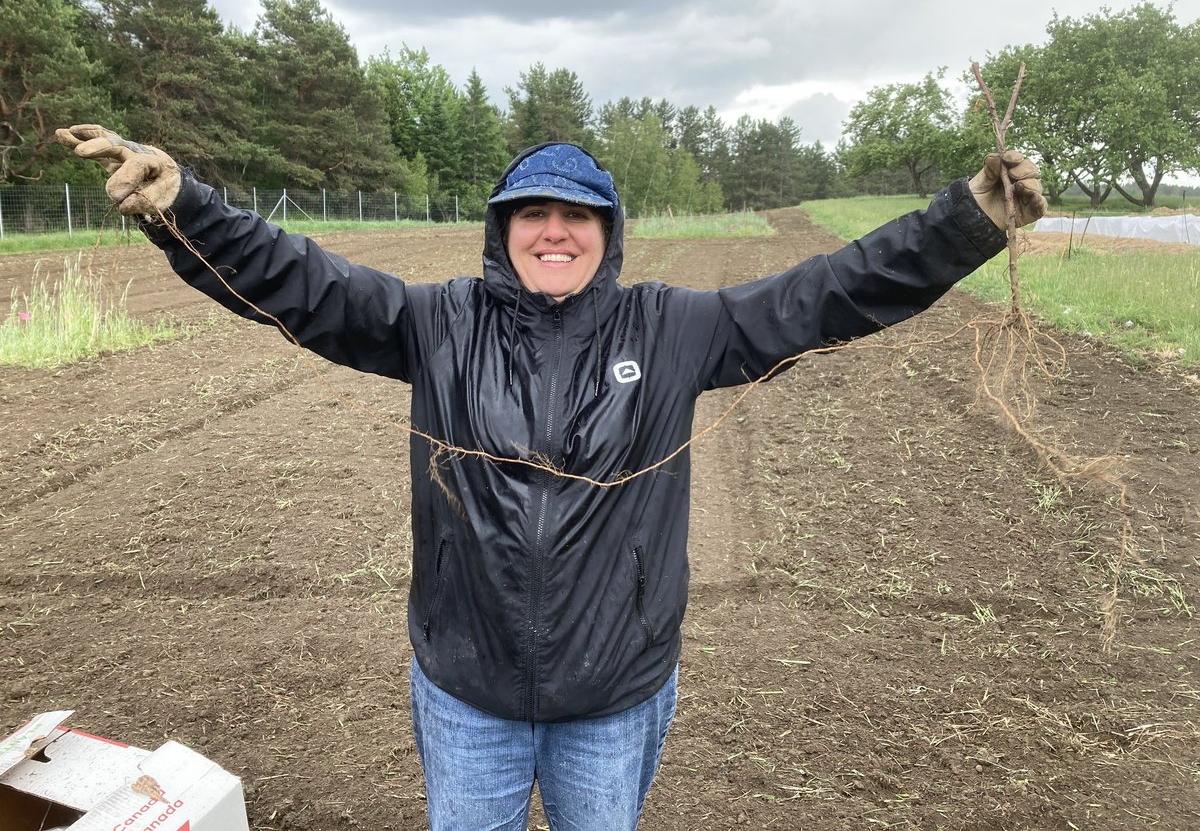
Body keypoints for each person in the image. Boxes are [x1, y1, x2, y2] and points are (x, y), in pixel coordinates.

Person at [57, 124, 1046, 830]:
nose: (555, 232)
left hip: (613, 697)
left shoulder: (676, 329)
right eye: (532, 214)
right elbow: (296, 281)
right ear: (502, 230)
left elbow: (832, 292)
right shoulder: (434, 322)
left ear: (608, 233)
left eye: (577, 216)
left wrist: (964, 223)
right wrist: (182, 206)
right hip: (468, 693)